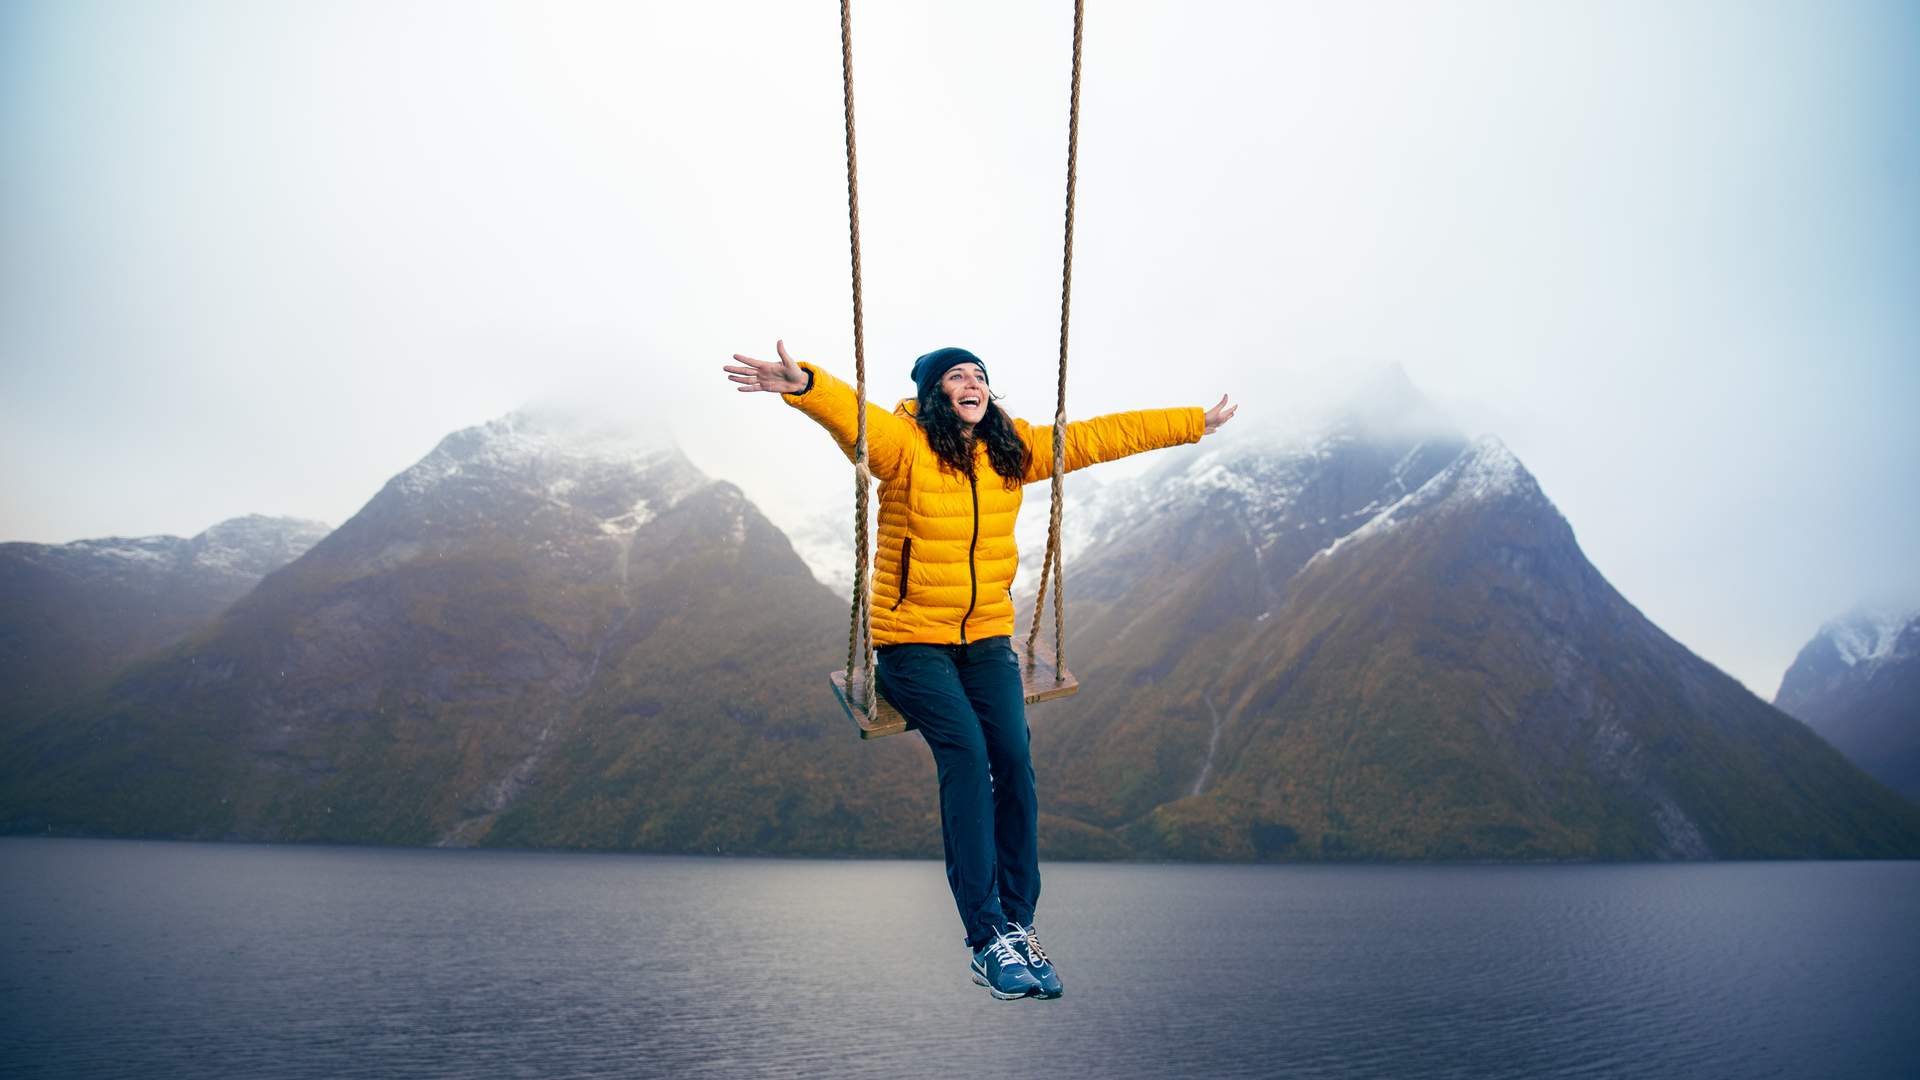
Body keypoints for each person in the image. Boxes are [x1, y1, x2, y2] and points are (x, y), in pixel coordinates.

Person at [724, 340, 1237, 1000]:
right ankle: (986, 937)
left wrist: (1193, 422)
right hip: (911, 644)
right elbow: (857, 420)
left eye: (980, 377)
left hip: (987, 638)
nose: (971, 383)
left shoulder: (1011, 452)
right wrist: (807, 385)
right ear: (935, 393)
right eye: (955, 376)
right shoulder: (903, 445)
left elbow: (1102, 437)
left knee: (1015, 759)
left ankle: (1019, 924)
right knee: (965, 754)